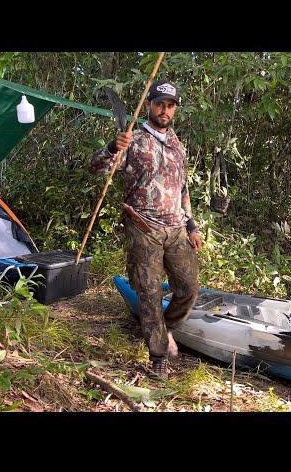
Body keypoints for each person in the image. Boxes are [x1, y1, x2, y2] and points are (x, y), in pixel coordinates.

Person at [89, 80, 202, 380]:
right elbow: (97, 168)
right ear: (150, 105)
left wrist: (192, 225)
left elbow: (183, 188)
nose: (165, 110)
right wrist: (114, 147)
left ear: (175, 109)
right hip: (143, 227)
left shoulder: (178, 145)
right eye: (159, 104)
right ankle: (158, 357)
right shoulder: (133, 140)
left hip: (176, 229)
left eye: (170, 105)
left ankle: (164, 331)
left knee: (189, 290)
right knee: (149, 293)